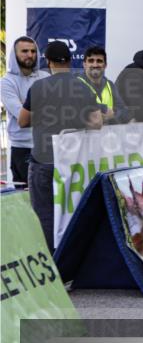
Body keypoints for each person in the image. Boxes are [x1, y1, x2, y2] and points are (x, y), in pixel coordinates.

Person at [17, 42, 103, 252]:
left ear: (48, 62)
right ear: (70, 60)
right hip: (73, 161)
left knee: (44, 213)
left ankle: (52, 263)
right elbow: (97, 123)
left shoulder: (37, 87)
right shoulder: (83, 86)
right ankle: (71, 261)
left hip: (43, 160)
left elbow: (22, 121)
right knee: (73, 210)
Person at [2, 36, 49, 187]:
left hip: (47, 147)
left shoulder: (45, 77)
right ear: (14, 55)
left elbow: (58, 111)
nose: (30, 55)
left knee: (50, 198)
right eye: (24, 51)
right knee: (25, 202)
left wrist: (26, 106)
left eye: (33, 51)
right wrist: (47, 111)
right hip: (22, 151)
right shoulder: (6, 82)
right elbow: (23, 120)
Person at [78, 46, 124, 124]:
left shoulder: (110, 85)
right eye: (91, 61)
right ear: (84, 64)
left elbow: (123, 110)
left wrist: (112, 116)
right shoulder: (76, 83)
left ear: (105, 65)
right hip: (85, 135)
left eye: (99, 61)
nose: (95, 65)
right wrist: (105, 109)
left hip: (108, 135)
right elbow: (80, 106)